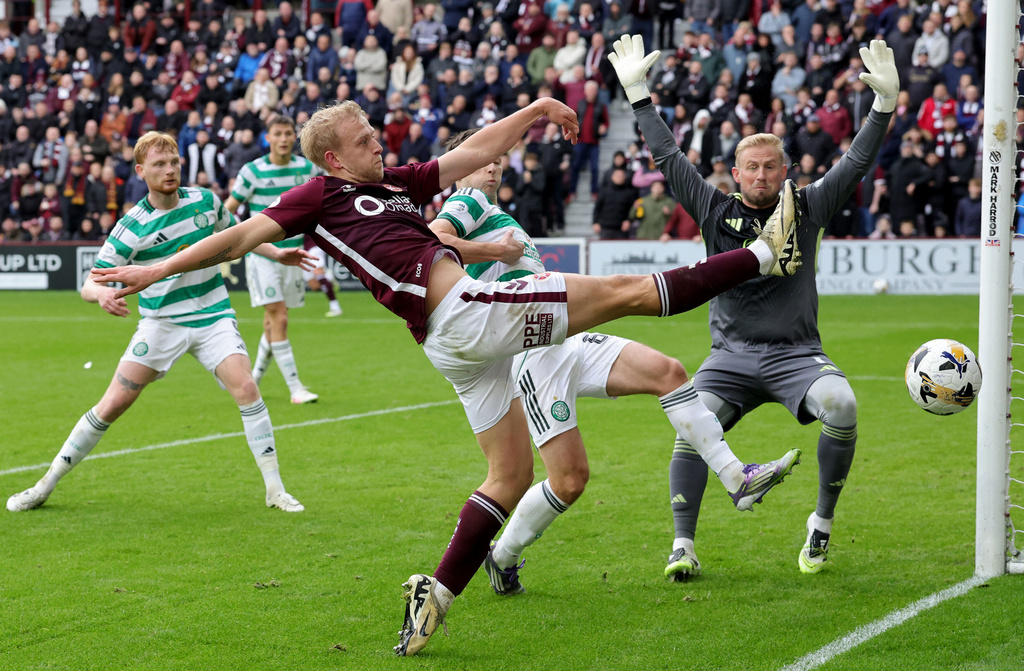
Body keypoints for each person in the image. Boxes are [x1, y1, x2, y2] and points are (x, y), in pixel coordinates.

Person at [94, 97, 800, 657]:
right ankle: (765, 254)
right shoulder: (318, 196)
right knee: (627, 290)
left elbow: (470, 153)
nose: (379, 139)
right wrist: (158, 268)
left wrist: (530, 114)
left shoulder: (394, 185)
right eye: (365, 136)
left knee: (510, 475)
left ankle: (435, 594)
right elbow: (240, 236)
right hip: (464, 313)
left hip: (451, 340)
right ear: (334, 156)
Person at [430, 128, 801, 596]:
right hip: (531, 356)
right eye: (482, 158)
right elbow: (433, 241)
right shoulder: (466, 201)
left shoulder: (493, 209)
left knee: (667, 373)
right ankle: (500, 557)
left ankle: (735, 476)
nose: (492, 165)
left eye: (497, 158)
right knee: (568, 480)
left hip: (562, 339)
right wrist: (494, 251)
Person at [608, 35, 899, 578]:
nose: (761, 176)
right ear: (735, 173)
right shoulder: (713, 208)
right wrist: (639, 95)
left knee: (843, 405)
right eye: (751, 167)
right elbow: (670, 158)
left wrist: (882, 107)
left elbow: (856, 162)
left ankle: (821, 526)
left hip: (796, 354)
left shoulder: (808, 205)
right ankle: (683, 546)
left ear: (783, 171)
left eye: (771, 167)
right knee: (690, 427)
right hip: (730, 356)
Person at [6, 132, 308, 515]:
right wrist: (101, 294)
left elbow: (241, 235)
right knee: (112, 404)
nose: (170, 170)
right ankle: (43, 485)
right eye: (160, 165)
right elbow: (89, 282)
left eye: (174, 162)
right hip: (161, 323)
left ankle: (275, 490)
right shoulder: (132, 226)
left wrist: (276, 252)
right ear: (140, 171)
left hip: (212, 317)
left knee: (247, 387)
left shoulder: (205, 200)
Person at [225, 114, 323, 404]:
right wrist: (244, 238)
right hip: (264, 257)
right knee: (278, 316)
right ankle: (295, 389)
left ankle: (252, 378)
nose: (283, 139)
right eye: (277, 134)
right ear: (267, 138)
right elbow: (228, 210)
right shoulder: (252, 171)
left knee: (275, 321)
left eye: (287, 133)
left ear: (295, 136)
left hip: (294, 255)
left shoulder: (307, 168)